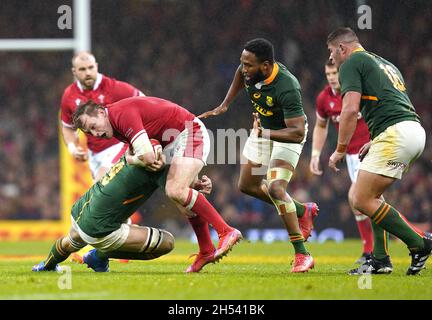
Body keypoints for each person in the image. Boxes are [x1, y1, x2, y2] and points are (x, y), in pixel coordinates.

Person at [72, 96, 243, 268]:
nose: (95, 134)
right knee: (182, 198)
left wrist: (143, 158)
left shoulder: (121, 115)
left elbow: (146, 157)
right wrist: (141, 158)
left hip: (191, 132)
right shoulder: (114, 124)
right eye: (89, 132)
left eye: (93, 126)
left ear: (101, 112)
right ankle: (206, 250)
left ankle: (226, 231)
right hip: (173, 143)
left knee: (175, 190)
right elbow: (130, 155)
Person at [199, 38, 317, 272]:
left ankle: (302, 254)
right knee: (246, 185)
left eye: (248, 65)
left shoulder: (287, 86)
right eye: (242, 63)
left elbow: (295, 131)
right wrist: (225, 104)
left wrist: (267, 132)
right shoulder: (249, 72)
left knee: (275, 188)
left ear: (265, 66)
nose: (244, 69)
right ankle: (303, 210)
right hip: (262, 131)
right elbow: (239, 76)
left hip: (286, 135)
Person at [326, 27, 431, 275]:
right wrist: (376, 139)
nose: (331, 59)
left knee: (359, 198)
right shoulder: (384, 62)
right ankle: (381, 259)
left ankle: (420, 243)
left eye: (331, 52)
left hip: (397, 134)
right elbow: (393, 103)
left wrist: (340, 149)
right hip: (412, 130)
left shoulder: (351, 63)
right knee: (371, 197)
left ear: (342, 48)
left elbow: (350, 110)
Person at [32, 154, 214, 273]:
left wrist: (193, 184)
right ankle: (99, 256)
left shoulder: (132, 154)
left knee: (72, 240)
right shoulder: (158, 164)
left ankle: (46, 266)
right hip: (100, 227)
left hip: (82, 209)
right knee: (167, 242)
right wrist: (194, 193)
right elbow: (185, 206)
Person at [310, 60, 373, 264]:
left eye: (335, 72)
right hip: (351, 157)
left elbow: (378, 113)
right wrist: (315, 154)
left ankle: (372, 252)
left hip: (371, 150)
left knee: (357, 197)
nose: (331, 77)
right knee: (361, 203)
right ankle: (415, 240)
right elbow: (321, 126)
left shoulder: (356, 92)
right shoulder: (324, 98)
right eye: (328, 73)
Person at [60, 51, 145, 181]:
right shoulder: (69, 95)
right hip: (94, 154)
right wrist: (72, 148)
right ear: (74, 72)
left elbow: (144, 101)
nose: (88, 72)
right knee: (102, 195)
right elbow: (67, 127)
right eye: (82, 69)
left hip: (117, 145)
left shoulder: (112, 88)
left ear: (96, 66)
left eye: (90, 67)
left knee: (103, 183)